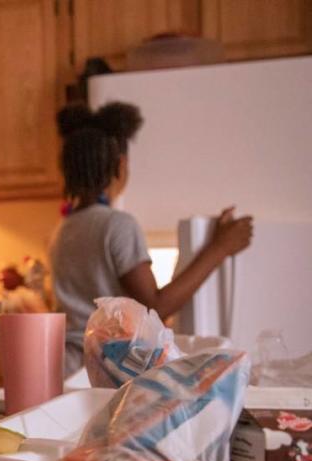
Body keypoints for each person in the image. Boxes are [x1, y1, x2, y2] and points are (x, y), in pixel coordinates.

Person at [48, 102, 253, 376]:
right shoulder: (117, 225)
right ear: (121, 166)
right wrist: (220, 248)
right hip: (104, 368)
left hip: (67, 366)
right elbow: (156, 307)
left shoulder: (63, 230)